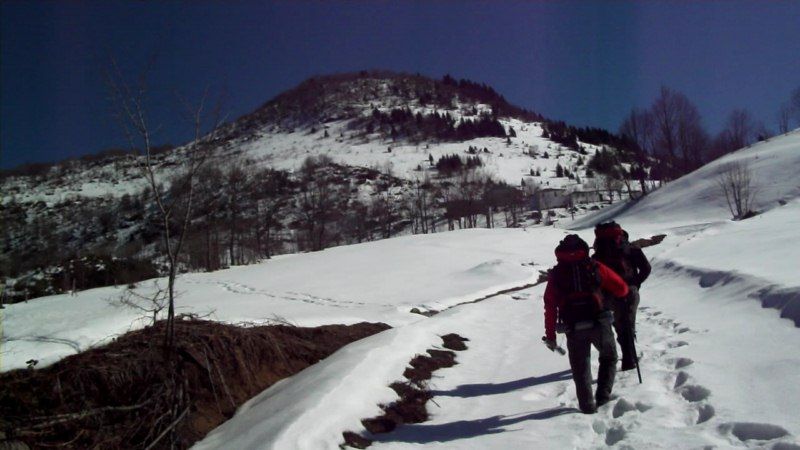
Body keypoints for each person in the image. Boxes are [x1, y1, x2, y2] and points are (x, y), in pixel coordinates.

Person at [542, 234, 629, 414]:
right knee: (609, 357)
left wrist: (551, 336)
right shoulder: (594, 267)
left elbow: (550, 306)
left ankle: (587, 407)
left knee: (580, 368)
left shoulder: (557, 275)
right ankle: (603, 399)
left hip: (573, 328)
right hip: (599, 322)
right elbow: (621, 288)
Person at [592, 222, 652, 371]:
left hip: (608, 294)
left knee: (617, 324)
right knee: (627, 324)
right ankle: (629, 359)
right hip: (629, 291)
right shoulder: (631, 249)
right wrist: (635, 284)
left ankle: (620, 354)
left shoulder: (598, 253)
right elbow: (646, 268)